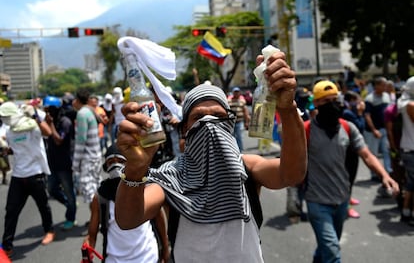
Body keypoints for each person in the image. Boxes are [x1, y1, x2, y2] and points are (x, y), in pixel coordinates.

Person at [115, 51, 307, 262]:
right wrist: (135, 169)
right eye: (198, 117)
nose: (209, 124)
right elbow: (128, 219)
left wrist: (288, 110)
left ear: (230, 124)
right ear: (185, 130)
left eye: (217, 117)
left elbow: (291, 174)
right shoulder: (170, 176)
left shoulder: (246, 167)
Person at [304, 80, 399, 263]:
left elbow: (367, 155)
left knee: (327, 246)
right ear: (315, 104)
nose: (332, 104)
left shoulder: (348, 128)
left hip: (342, 200)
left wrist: (385, 176)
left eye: (335, 99)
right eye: (326, 101)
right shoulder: (306, 130)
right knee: (332, 250)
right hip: (317, 200)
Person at [83, 144, 169, 262]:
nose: (115, 165)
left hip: (148, 257)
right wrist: (87, 248)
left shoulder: (143, 188)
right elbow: (91, 235)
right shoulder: (100, 197)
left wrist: (165, 247)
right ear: (106, 166)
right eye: (111, 162)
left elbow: (159, 219)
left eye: (120, 161)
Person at [0, 102, 55, 258]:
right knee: (11, 211)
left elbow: (48, 132)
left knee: (43, 206)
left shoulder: (32, 127)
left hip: (35, 173)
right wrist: (5, 149)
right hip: (18, 175)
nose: (4, 120)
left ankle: (49, 230)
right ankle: (7, 246)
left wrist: (35, 116)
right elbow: (16, 149)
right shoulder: (9, 131)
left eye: (6, 117)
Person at [44, 96, 77, 231]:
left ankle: (71, 218)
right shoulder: (50, 122)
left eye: (50, 109)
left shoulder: (65, 122)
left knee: (69, 191)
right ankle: (70, 204)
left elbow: (58, 140)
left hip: (64, 164)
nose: (48, 113)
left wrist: (50, 124)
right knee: (51, 189)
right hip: (52, 163)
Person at [72, 88, 102, 209]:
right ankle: (99, 219)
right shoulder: (90, 111)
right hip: (96, 156)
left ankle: (96, 221)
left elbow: (81, 142)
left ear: (77, 100)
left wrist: (75, 164)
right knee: (95, 188)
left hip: (88, 158)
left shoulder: (82, 114)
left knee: (90, 192)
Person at [342, 91, 366, 219]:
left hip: (351, 150)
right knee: (348, 179)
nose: (359, 102)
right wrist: (361, 113)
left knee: (350, 179)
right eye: (357, 99)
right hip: (348, 151)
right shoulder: (348, 113)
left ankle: (348, 199)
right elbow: (360, 127)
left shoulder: (350, 111)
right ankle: (346, 207)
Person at [364, 76, 392, 181]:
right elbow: (367, 115)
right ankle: (375, 174)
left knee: (386, 151)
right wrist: (373, 129)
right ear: (376, 86)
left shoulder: (386, 96)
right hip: (373, 132)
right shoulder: (369, 99)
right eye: (383, 85)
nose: (385, 87)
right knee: (373, 153)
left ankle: (388, 171)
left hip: (384, 129)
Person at [397, 76, 414, 224]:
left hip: (409, 148)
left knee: (411, 184)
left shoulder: (403, 103)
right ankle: (407, 212)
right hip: (411, 149)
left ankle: (407, 211)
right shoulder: (410, 105)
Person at [228, 86, 250, 152]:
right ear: (233, 93)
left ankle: (240, 151)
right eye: (235, 92)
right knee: (232, 137)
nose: (236, 93)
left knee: (239, 137)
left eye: (237, 92)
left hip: (240, 122)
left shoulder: (242, 101)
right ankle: (234, 150)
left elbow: (245, 112)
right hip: (231, 122)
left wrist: (246, 122)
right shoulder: (229, 101)